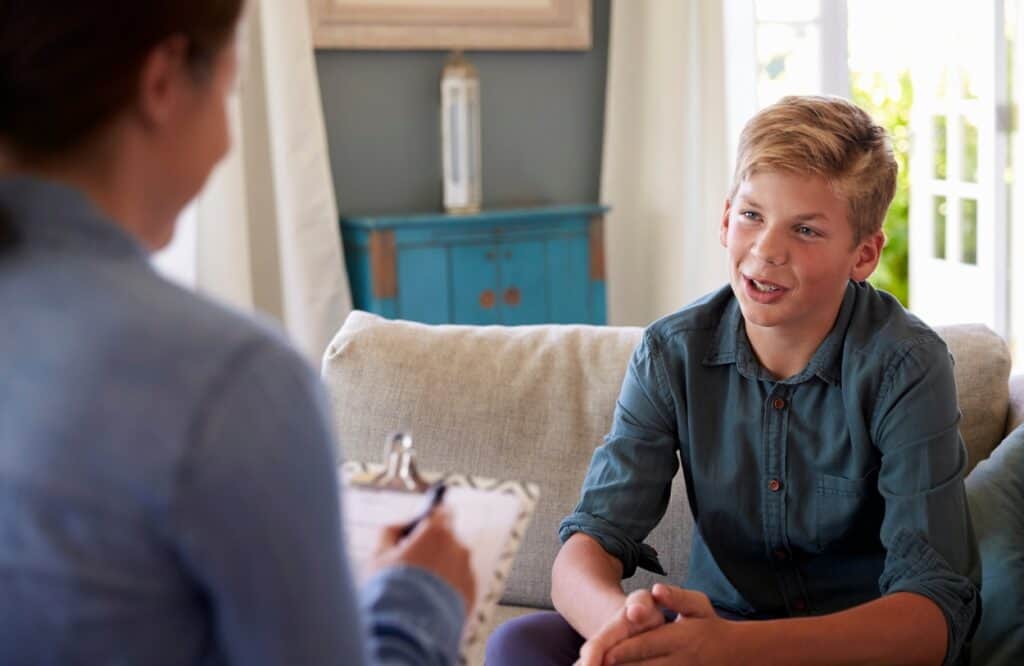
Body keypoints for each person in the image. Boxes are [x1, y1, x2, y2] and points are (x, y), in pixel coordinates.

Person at [0, 2, 474, 664]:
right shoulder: (228, 380)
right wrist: (421, 600)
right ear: (163, 80)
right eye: (229, 89)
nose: (225, 139)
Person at [487, 96, 980, 665]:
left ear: (863, 254)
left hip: (843, 653)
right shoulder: (671, 352)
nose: (767, 250)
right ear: (725, 220)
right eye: (752, 215)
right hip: (710, 644)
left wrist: (734, 650)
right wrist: (623, 631)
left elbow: (934, 614)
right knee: (521, 643)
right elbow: (588, 544)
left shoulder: (906, 365)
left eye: (806, 230)